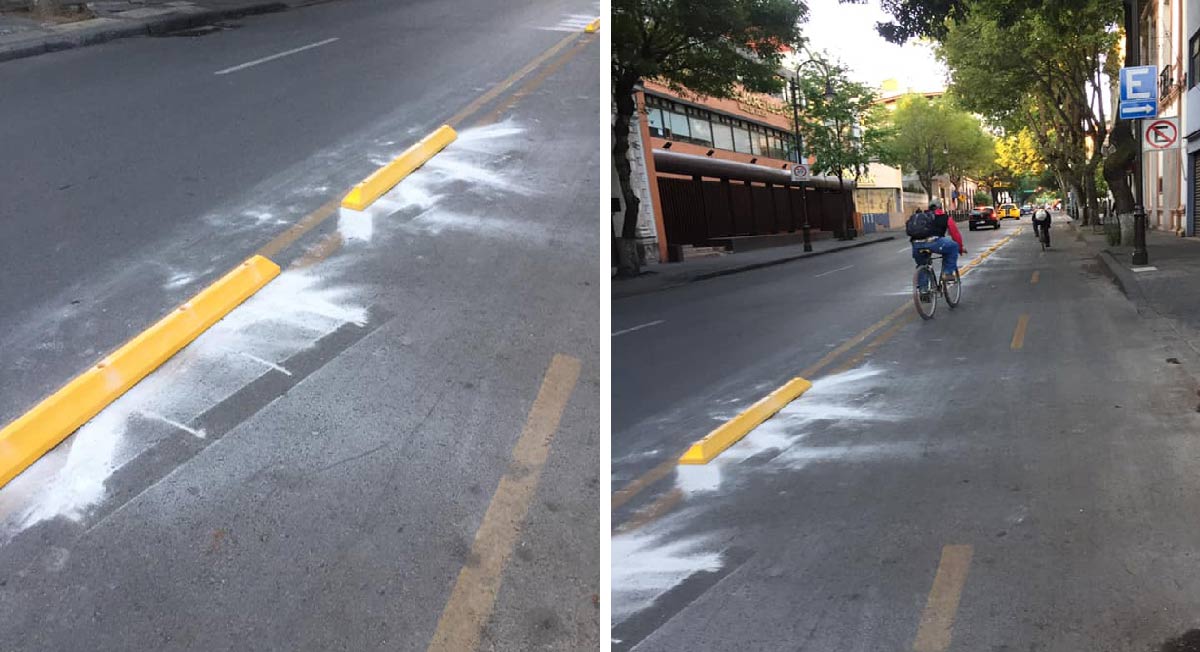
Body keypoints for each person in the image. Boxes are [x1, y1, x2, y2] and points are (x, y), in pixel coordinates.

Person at [910, 199, 966, 284]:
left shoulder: (922, 217)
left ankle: (923, 291)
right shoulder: (944, 217)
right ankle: (948, 273)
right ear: (940, 207)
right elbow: (955, 234)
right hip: (934, 242)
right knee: (954, 246)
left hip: (916, 244)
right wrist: (960, 248)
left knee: (922, 265)